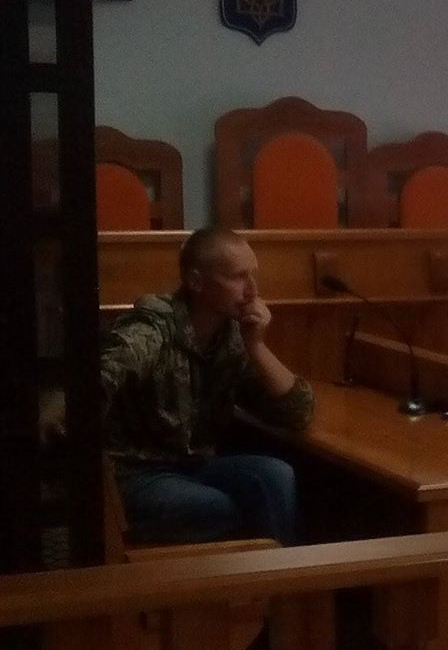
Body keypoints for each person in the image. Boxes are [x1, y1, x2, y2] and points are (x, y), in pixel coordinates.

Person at [101, 226, 314, 544]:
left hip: (194, 465)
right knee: (215, 507)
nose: (252, 290)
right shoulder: (154, 327)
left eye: (253, 275)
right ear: (196, 281)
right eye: (238, 277)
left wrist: (256, 346)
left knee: (276, 475)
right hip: (136, 473)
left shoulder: (230, 334)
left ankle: (276, 574)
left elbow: (297, 411)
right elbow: (105, 372)